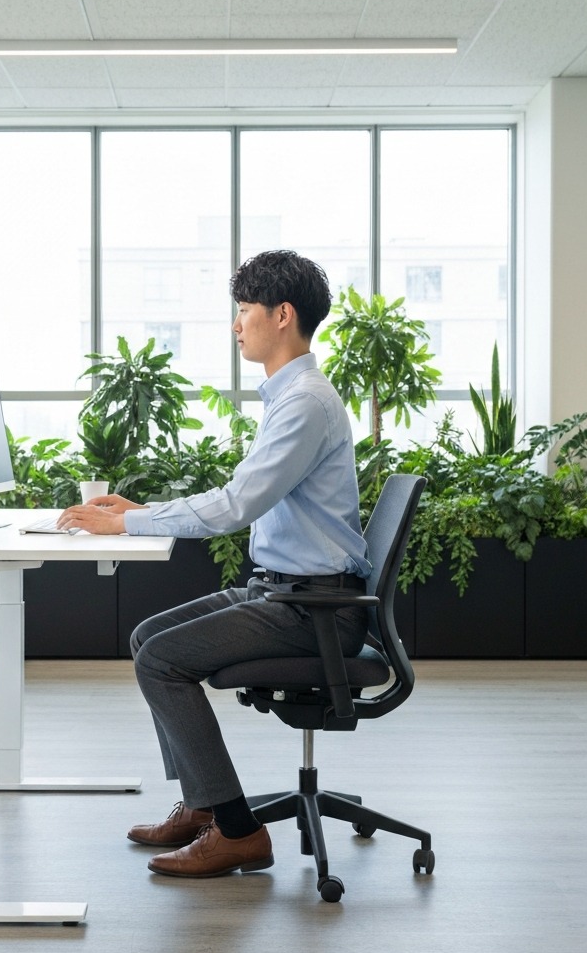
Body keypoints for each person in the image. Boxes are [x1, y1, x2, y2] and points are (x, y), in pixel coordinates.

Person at [57, 250, 371, 880]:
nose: (236, 324)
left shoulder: (304, 403)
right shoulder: (291, 397)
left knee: (160, 661)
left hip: (314, 609)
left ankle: (237, 832)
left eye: (244, 310)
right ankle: (203, 803)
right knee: (148, 636)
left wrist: (126, 521)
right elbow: (243, 496)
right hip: (286, 590)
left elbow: (234, 506)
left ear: (282, 315)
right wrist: (144, 508)